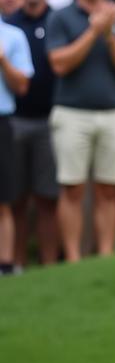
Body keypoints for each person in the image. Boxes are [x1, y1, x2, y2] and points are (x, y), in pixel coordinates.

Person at [46, 0, 115, 261]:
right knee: (72, 189)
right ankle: (73, 258)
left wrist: (109, 36)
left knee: (109, 191)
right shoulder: (60, 16)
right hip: (72, 114)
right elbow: (59, 64)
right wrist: (93, 31)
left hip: (113, 113)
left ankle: (106, 256)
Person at [8, 0, 60, 265]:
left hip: (49, 118)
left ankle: (50, 265)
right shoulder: (9, 25)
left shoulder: (57, 18)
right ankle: (15, 266)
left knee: (47, 199)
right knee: (15, 199)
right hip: (15, 119)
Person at [0, 16, 34, 273]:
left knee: (4, 198)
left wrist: (2, 60)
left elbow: (22, 85)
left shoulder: (12, 35)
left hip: (3, 120)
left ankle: (6, 264)